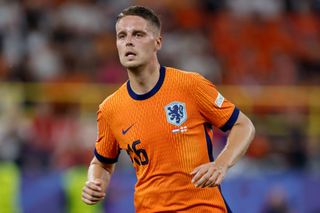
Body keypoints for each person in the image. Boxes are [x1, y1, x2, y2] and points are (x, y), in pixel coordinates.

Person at [81, 5, 255, 212]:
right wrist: (94, 182)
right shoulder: (110, 108)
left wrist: (221, 163)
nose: (128, 41)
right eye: (121, 36)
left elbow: (243, 125)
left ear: (157, 42)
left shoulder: (189, 85)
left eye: (138, 34)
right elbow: (102, 162)